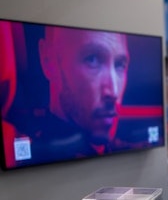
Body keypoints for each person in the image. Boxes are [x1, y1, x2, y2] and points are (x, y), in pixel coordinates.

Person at [26, 25, 131, 162]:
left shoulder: (119, 150)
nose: (114, 92)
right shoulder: (37, 158)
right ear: (48, 60)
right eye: (92, 59)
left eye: (120, 65)